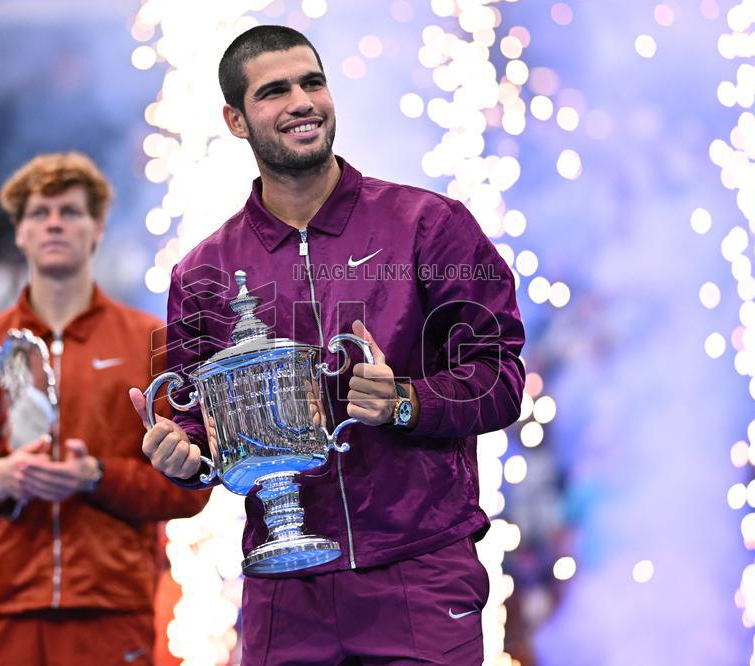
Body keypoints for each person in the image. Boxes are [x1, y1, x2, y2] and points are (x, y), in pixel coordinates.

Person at [132, 25, 526, 665]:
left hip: (419, 569)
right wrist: (181, 456)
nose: (301, 102)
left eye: (312, 82)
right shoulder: (202, 272)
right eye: (275, 91)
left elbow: (501, 378)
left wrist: (405, 400)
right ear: (236, 120)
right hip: (283, 586)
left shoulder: (427, 224)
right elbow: (198, 431)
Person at [0, 152, 209, 666]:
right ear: (19, 233)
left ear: (96, 229)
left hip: (112, 609)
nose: (53, 222)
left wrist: (96, 476)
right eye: (38, 212)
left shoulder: (149, 342)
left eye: (70, 211)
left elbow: (191, 488)